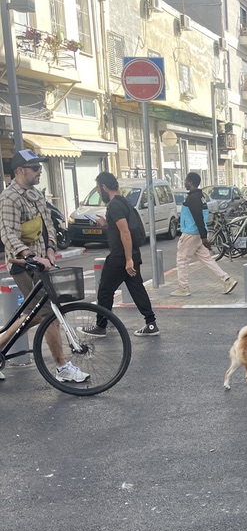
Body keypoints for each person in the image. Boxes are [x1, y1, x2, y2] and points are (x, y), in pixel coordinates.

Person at [0, 150, 88, 382]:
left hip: (42, 263)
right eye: (35, 168)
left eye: (40, 168)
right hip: (23, 264)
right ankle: (62, 366)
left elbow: (49, 225)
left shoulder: (36, 196)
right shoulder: (9, 198)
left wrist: (50, 249)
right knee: (48, 312)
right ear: (20, 171)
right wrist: (30, 255)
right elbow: (8, 234)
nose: (40, 172)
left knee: (38, 313)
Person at [79, 171, 159, 337]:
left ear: (104, 187)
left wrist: (128, 260)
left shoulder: (114, 205)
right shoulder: (124, 202)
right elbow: (120, 228)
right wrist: (106, 224)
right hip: (131, 254)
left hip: (120, 257)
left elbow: (125, 231)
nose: (99, 192)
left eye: (98, 188)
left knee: (105, 290)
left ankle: (101, 326)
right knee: (137, 289)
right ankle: (151, 324)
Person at [171, 172, 238, 297]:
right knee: (206, 259)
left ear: (191, 182)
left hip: (190, 233)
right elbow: (196, 216)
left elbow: (198, 217)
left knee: (182, 260)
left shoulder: (193, 198)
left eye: (186, 180)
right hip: (196, 232)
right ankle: (227, 279)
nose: (185, 183)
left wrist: (204, 237)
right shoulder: (200, 196)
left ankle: (183, 287)